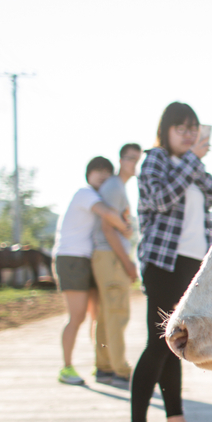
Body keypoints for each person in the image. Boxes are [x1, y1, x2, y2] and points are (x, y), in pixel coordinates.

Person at [127, 103, 212, 422]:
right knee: (157, 343)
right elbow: (160, 199)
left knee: (174, 343)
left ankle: (175, 421)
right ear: (164, 131)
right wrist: (193, 162)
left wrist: (195, 162)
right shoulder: (156, 160)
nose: (189, 134)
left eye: (193, 128)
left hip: (190, 263)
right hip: (163, 262)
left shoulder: (191, 165)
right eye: (181, 128)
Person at [52, 157, 131, 385]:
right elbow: (108, 214)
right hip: (72, 258)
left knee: (98, 316)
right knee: (76, 317)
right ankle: (66, 367)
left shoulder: (98, 195)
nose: (102, 175)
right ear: (88, 174)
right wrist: (126, 229)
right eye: (97, 171)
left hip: (88, 259)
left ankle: (102, 365)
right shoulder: (85, 194)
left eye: (106, 171)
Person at [90, 143, 142, 389]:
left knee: (107, 314)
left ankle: (105, 367)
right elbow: (107, 228)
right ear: (121, 160)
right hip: (110, 256)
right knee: (117, 313)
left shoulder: (117, 187)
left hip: (107, 256)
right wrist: (128, 264)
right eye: (131, 159)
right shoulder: (114, 186)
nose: (135, 164)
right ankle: (120, 369)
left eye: (138, 159)